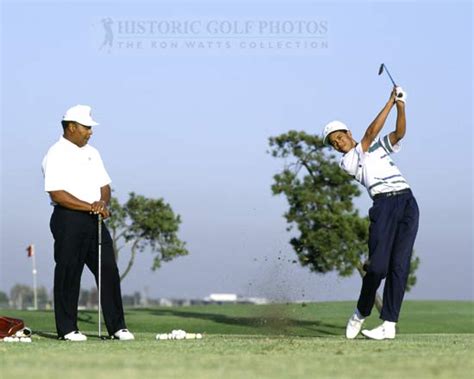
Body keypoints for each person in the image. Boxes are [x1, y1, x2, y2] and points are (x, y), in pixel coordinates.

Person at [322, 87, 419, 340]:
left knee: (399, 266)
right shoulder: (349, 161)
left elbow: (399, 133)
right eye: (334, 144)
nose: (338, 145)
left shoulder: (376, 147)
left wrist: (400, 106)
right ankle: (360, 312)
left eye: (339, 138)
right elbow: (370, 132)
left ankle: (389, 324)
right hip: (383, 206)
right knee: (376, 268)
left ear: (347, 133)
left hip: (407, 202)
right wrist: (389, 101)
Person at [42, 104, 134, 342]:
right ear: (72, 127)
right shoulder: (55, 153)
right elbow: (57, 194)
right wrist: (90, 206)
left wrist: (102, 203)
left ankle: (117, 327)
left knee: (109, 271)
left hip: (95, 219)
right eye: (87, 127)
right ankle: (67, 329)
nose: (90, 132)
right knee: (69, 272)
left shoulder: (93, 152)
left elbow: (105, 186)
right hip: (68, 219)